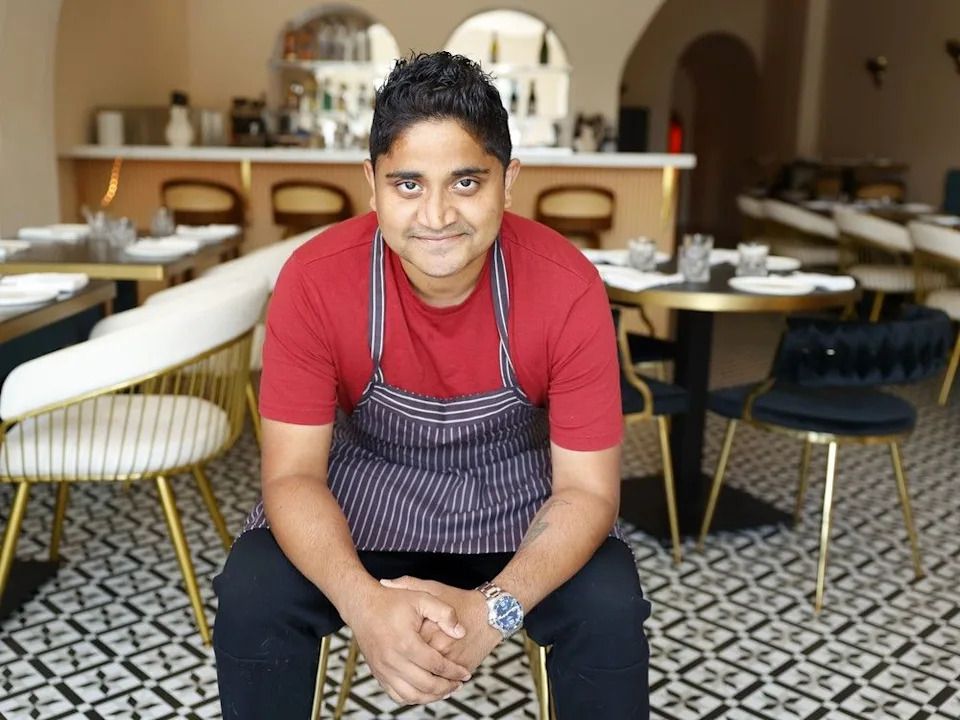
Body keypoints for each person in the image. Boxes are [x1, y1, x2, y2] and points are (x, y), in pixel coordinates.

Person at [213, 51, 651, 719]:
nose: (438, 215)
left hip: (519, 505)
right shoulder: (315, 279)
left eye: (467, 182)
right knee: (253, 591)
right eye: (408, 184)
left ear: (509, 181)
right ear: (372, 184)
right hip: (364, 499)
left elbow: (588, 491)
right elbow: (292, 476)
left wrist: (492, 611)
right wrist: (363, 604)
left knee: (609, 602)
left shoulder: (567, 286)